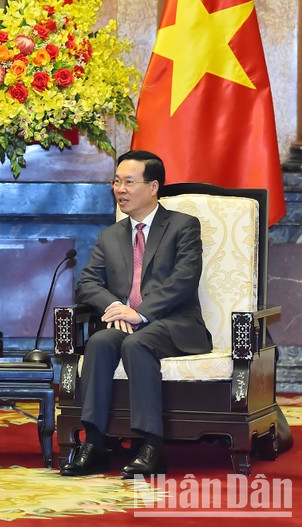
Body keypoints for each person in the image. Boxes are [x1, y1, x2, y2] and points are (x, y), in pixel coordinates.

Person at [60, 150, 212, 479]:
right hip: (127, 321)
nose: (120, 189)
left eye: (129, 182)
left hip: (173, 324)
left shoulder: (182, 226)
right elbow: (86, 283)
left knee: (137, 344)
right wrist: (115, 308)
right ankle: (95, 443)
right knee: (100, 341)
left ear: (153, 186)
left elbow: (183, 281)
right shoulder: (111, 235)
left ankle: (151, 445)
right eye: (116, 181)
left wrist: (138, 312)